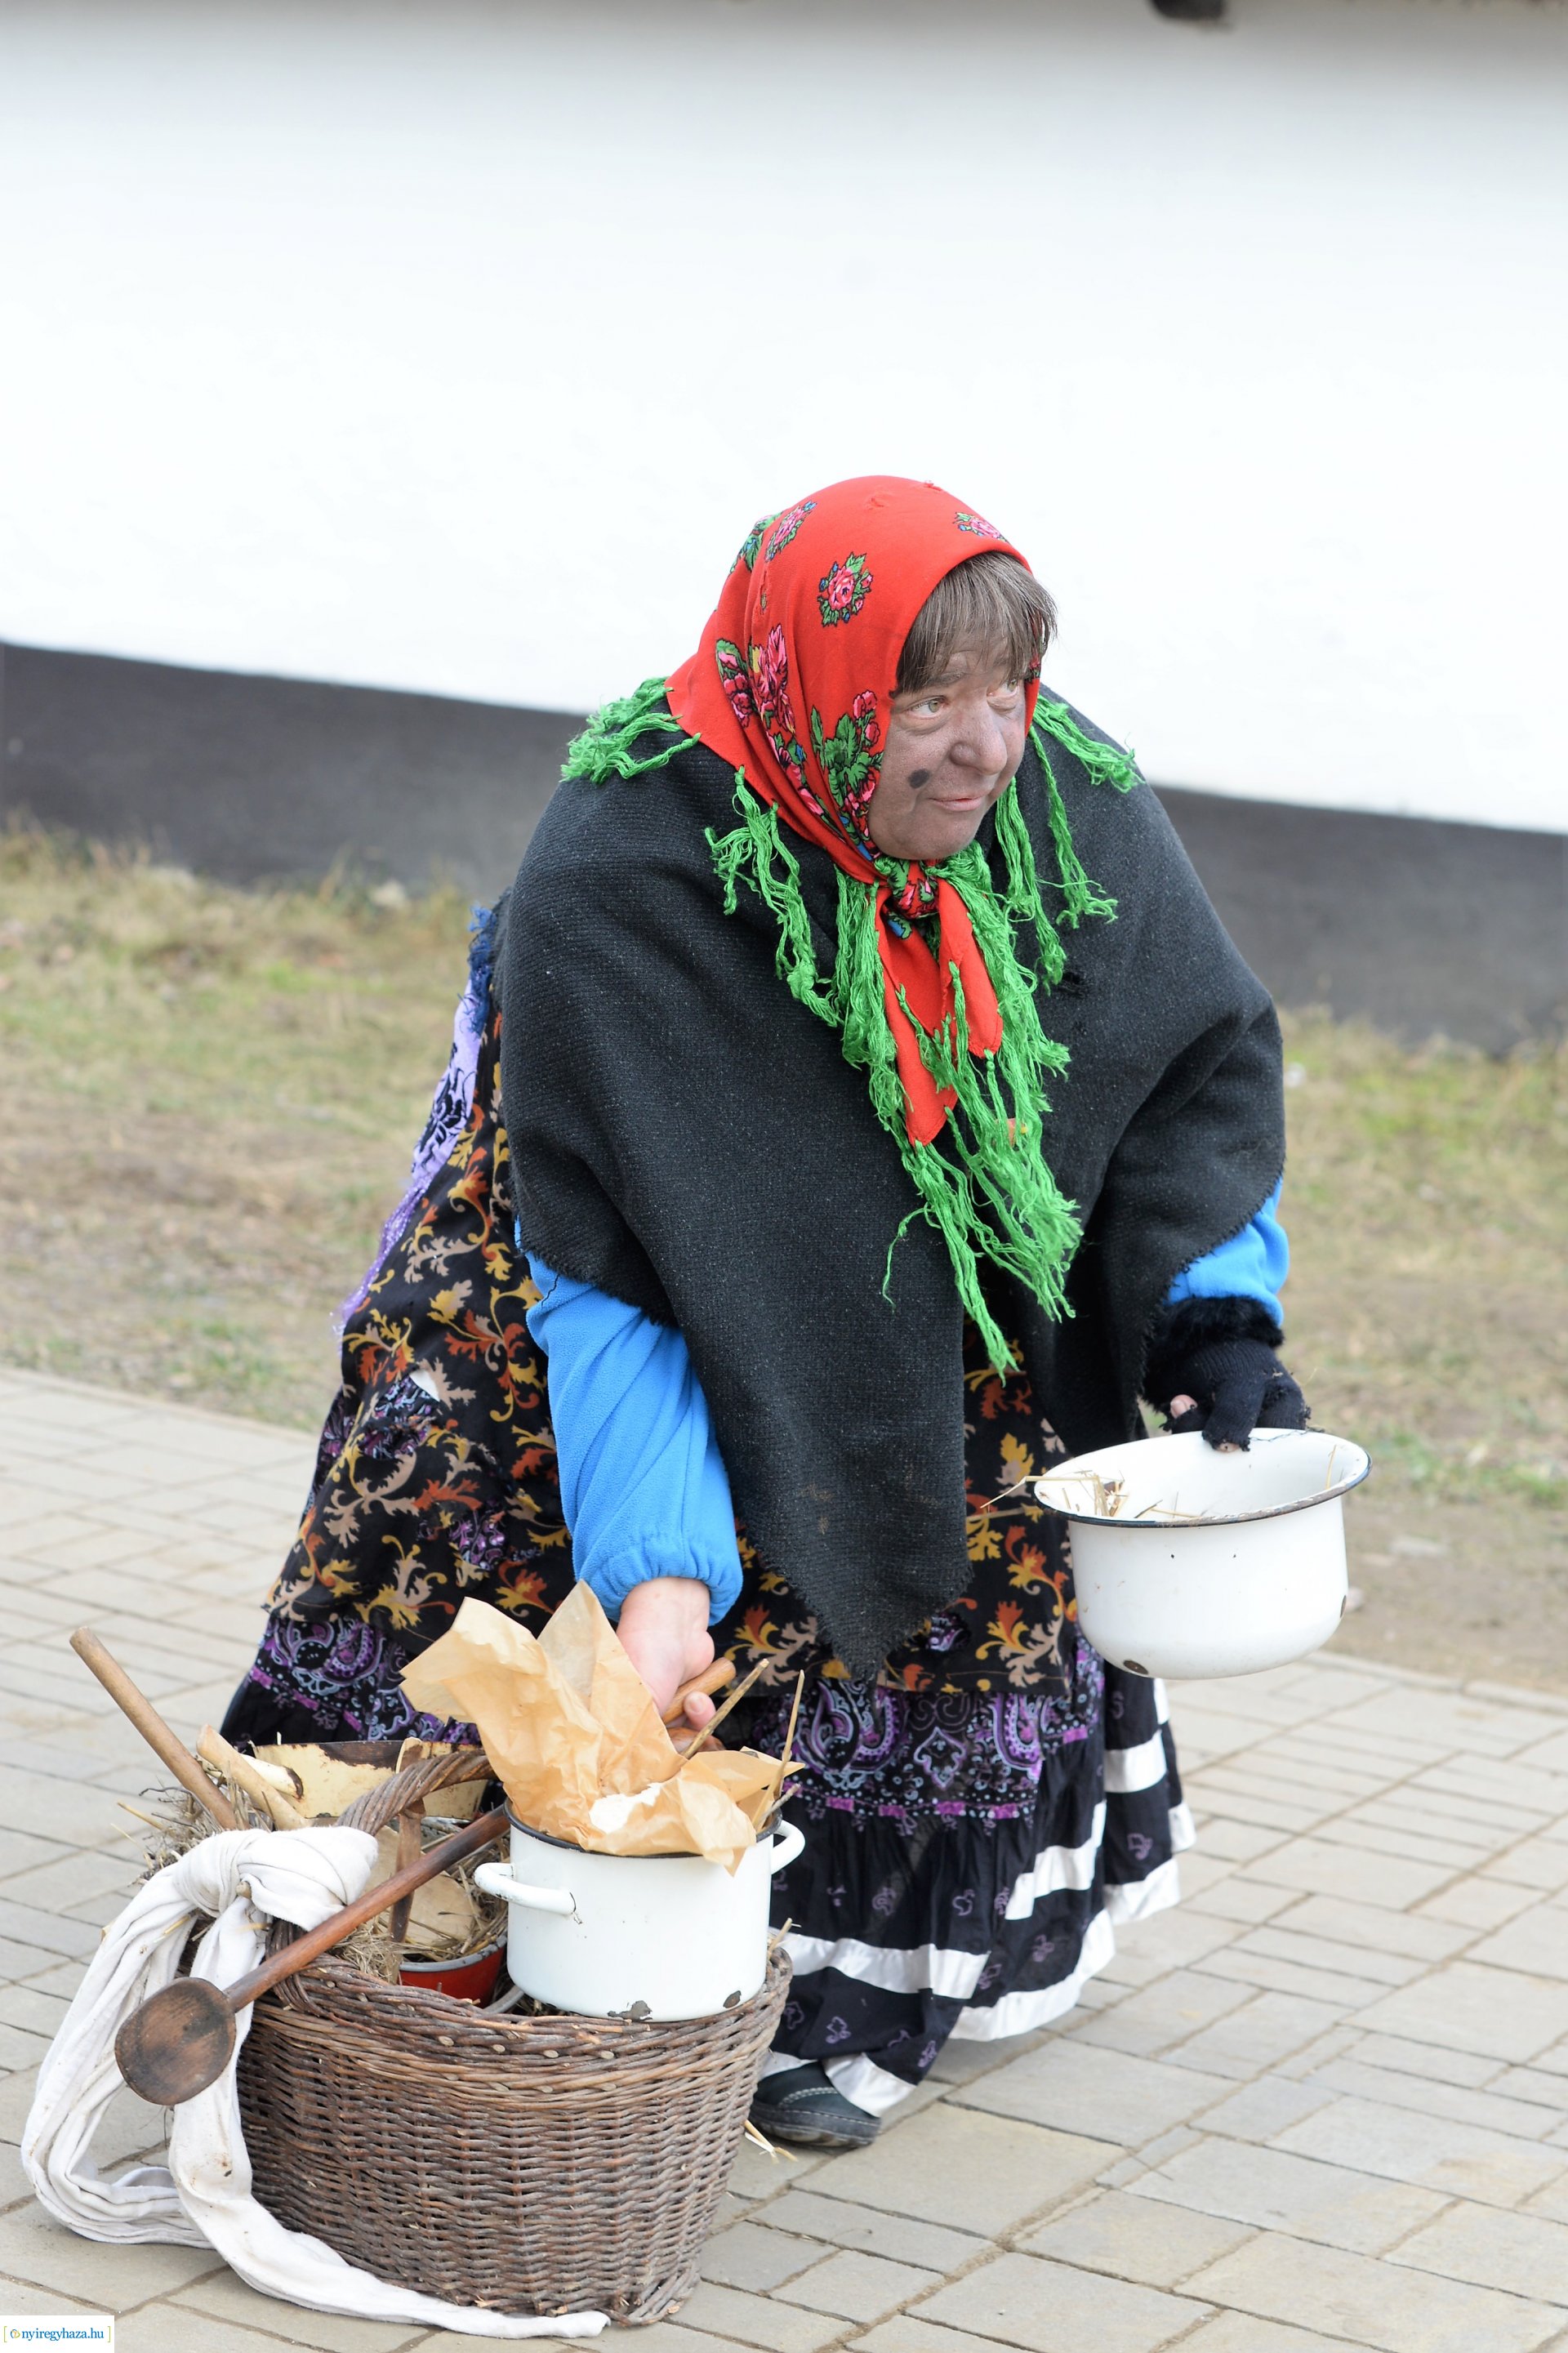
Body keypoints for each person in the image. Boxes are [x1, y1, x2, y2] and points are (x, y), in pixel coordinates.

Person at [223, 475, 1306, 2148]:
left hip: (938, 1224)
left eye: (1004, 695)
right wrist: (658, 1579)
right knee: (460, 1416)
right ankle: (450, 1876)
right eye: (921, 702)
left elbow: (1187, 1069)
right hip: (591, 1224)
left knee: (962, 1453)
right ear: (817, 695)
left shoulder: (1064, 795)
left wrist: (1216, 1321)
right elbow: (619, 1274)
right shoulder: (631, 866)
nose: (977, 747)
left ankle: (871, 1971)